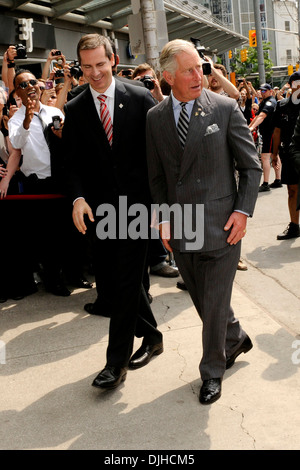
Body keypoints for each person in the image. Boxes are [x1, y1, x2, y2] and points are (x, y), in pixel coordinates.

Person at [146, 39, 261, 405]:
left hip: (222, 227)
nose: (199, 75)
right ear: (168, 76)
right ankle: (236, 338)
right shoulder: (155, 118)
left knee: (212, 303)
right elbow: (158, 178)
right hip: (181, 228)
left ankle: (212, 370)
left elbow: (251, 166)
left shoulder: (225, 109)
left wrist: (242, 212)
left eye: (201, 68)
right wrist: (163, 219)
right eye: (189, 70)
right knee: (203, 299)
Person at [62, 33, 163, 391]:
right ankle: (152, 337)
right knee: (120, 280)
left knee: (121, 284)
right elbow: (70, 163)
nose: (94, 73)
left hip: (138, 209)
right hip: (102, 211)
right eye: (87, 66)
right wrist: (77, 199)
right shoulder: (74, 107)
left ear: (113, 61)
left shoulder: (139, 97)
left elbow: (158, 156)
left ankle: (115, 363)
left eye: (100, 65)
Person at [272, 72, 300, 240]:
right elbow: (277, 131)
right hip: (289, 154)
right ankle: (294, 225)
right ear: (290, 85)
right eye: (296, 83)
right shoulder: (282, 106)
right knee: (292, 190)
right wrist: (274, 154)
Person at [249, 83, 281, 192]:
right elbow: (257, 116)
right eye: (261, 91)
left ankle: (266, 183)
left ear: (270, 91)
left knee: (265, 157)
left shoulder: (270, 102)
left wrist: (251, 128)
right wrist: (249, 127)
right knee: (273, 155)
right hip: (269, 133)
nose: (262, 93)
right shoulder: (264, 102)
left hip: (270, 133)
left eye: (264, 91)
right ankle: (278, 179)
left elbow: (262, 116)